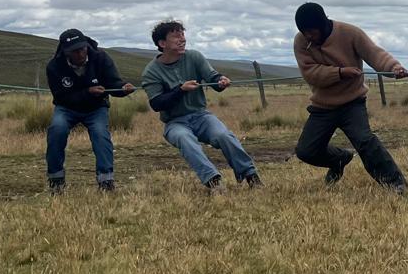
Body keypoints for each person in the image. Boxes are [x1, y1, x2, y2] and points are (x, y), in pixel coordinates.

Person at [292, 2, 408, 194]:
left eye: (312, 32)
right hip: (323, 106)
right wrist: (340, 72)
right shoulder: (301, 41)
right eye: (304, 32)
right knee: (306, 151)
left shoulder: (350, 33)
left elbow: (374, 54)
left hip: (352, 103)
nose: (308, 37)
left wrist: (393, 68)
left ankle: (396, 184)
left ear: (323, 24)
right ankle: (339, 159)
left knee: (365, 141)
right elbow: (310, 74)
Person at [139, 19, 260, 193]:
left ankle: (251, 176)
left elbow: (212, 77)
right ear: (162, 43)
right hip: (175, 122)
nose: (182, 39)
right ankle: (213, 182)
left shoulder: (194, 56)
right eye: (176, 36)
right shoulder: (151, 71)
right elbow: (157, 103)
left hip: (201, 115)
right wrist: (180, 90)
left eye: (183, 35)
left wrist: (220, 81)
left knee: (224, 136)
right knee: (184, 138)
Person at [45, 28, 135, 193]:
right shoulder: (54, 66)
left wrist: (123, 88)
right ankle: (56, 180)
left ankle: (106, 181)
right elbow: (60, 97)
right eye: (75, 51)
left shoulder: (101, 58)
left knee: (101, 134)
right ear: (65, 52)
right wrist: (88, 92)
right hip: (66, 108)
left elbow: (113, 83)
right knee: (57, 130)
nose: (80, 53)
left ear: (87, 45)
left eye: (82, 48)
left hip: (96, 108)